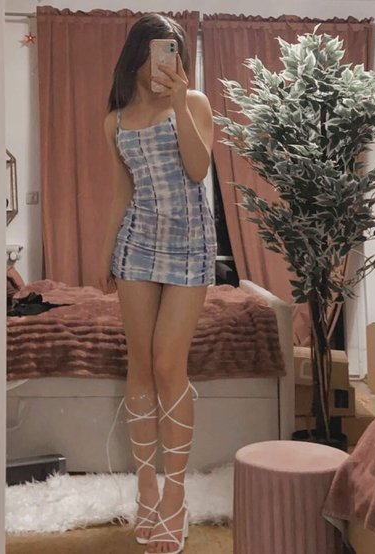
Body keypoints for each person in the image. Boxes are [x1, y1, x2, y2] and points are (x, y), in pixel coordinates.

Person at [101, 13, 217, 554]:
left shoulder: (193, 104)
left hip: (190, 245)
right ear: (137, 57)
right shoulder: (116, 120)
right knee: (140, 366)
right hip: (136, 245)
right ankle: (146, 488)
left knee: (171, 365)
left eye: (172, 52)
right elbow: (123, 193)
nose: (163, 62)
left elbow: (197, 170)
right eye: (155, 52)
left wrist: (179, 104)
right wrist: (108, 254)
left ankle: (175, 496)